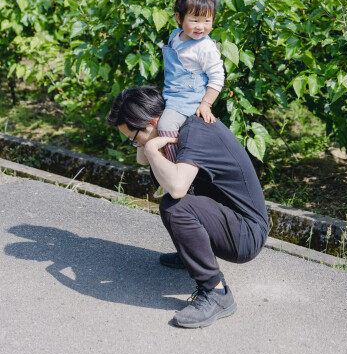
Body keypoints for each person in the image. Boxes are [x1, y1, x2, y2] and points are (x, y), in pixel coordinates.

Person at [107, 86, 269, 329]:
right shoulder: (179, 123)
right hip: (229, 219)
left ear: (152, 122)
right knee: (160, 170)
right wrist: (148, 147)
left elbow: (178, 188)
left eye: (133, 139)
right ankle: (193, 254)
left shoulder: (195, 131)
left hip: (246, 235)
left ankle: (216, 293)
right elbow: (144, 159)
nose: (134, 145)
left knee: (175, 206)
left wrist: (150, 147)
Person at [154, 0, 225, 198]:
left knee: (166, 125)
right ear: (179, 17)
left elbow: (217, 77)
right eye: (194, 20)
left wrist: (206, 104)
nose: (200, 27)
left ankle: (175, 172)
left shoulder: (205, 48)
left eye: (207, 21)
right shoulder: (176, 37)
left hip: (189, 99)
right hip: (173, 95)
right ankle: (162, 166)